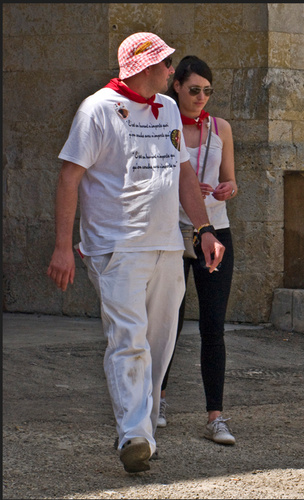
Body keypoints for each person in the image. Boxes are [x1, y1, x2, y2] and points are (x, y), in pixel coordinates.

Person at [48, 32, 225, 474]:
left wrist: (203, 228)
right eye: (166, 64)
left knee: (159, 345)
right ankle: (133, 435)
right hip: (115, 247)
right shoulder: (97, 110)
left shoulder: (166, 108)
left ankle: (140, 431)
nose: (171, 71)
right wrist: (61, 248)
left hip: (167, 245)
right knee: (128, 340)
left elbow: (183, 173)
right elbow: (69, 178)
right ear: (146, 67)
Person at [158, 55, 239, 446]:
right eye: (194, 90)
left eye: (208, 91)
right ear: (176, 86)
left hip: (216, 229)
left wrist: (227, 189)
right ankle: (157, 402)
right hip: (173, 229)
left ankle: (216, 417)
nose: (201, 98)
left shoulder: (220, 127)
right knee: (167, 323)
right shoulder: (163, 123)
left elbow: (230, 180)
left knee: (213, 327)